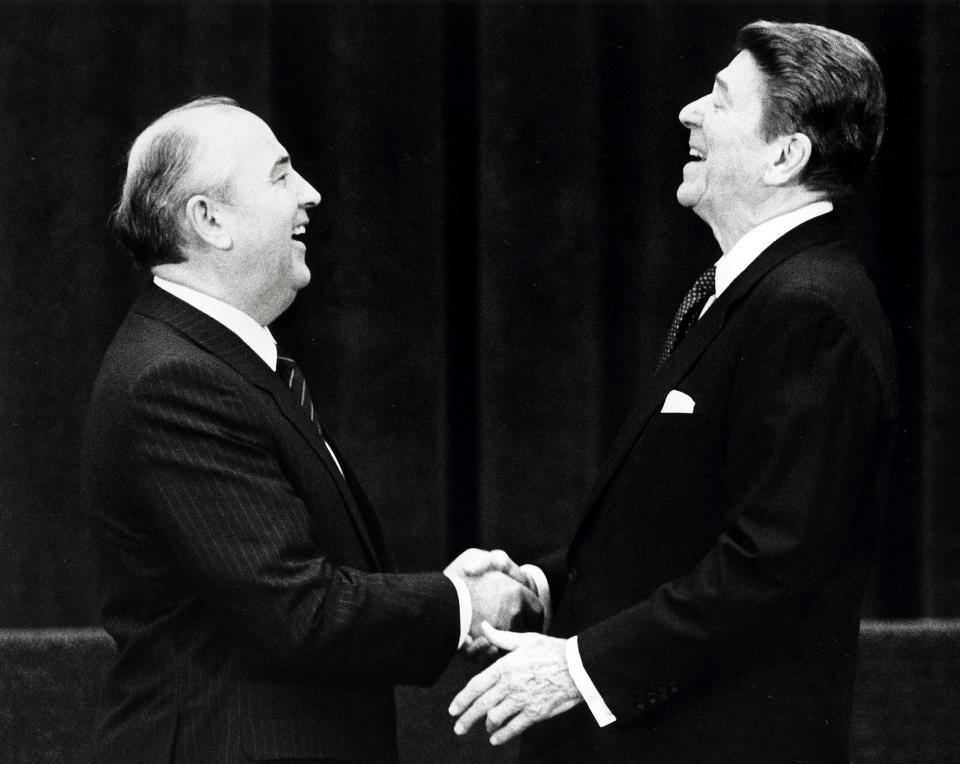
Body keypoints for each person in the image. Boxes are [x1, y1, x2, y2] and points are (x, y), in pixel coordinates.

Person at [449, 20, 896, 763]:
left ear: (786, 156)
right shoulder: (757, 292)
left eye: (720, 100)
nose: (688, 111)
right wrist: (543, 586)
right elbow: (678, 530)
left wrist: (577, 666)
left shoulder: (811, 308)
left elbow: (768, 566)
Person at [82, 97, 541, 763]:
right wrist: (461, 603)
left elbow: (294, 580)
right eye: (280, 175)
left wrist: (444, 591)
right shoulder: (176, 379)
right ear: (209, 220)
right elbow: (297, 611)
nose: (311, 194)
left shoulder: (212, 360)